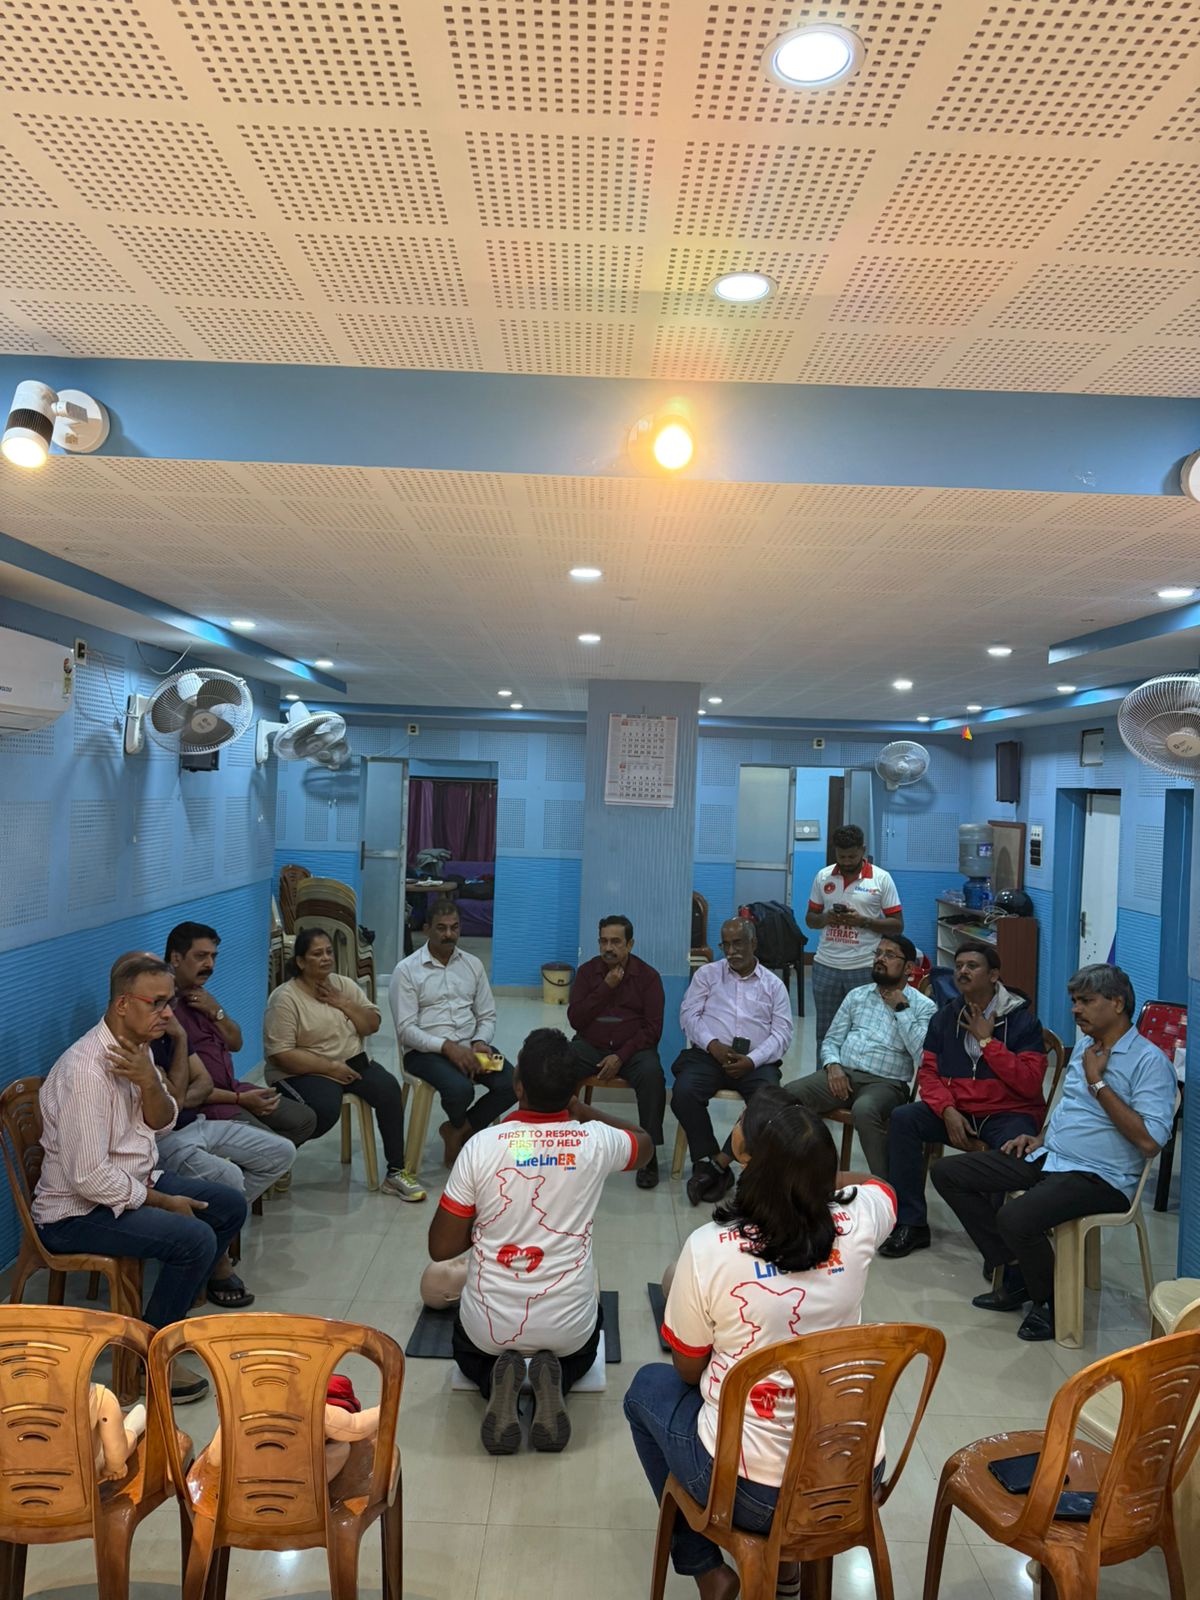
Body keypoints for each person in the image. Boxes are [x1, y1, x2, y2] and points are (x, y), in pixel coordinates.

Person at [624, 1090, 895, 1600]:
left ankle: (707, 1570)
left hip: (754, 1493)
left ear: (755, 1165)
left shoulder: (710, 1247)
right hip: (852, 1474)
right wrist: (814, 1179)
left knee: (646, 1390)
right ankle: (787, 1573)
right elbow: (882, 1187)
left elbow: (687, 1370)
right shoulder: (860, 1221)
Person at [428, 1027, 651, 1455]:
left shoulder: (481, 1146)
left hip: (489, 1330)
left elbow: (441, 1248)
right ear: (572, 1091)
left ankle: (495, 1378)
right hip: (569, 1330)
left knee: (466, 1346)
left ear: (518, 1087)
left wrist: (489, 1222)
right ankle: (556, 1380)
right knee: (583, 1345)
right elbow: (644, 1144)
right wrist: (582, 1111)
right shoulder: (595, 1141)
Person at [33, 955, 247, 1402]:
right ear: (122, 1005)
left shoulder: (138, 1047)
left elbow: (162, 1124)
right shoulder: (86, 1071)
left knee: (229, 1205)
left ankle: (165, 1323)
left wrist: (151, 1082)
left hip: (131, 1182)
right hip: (75, 1212)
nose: (168, 1014)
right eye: (158, 1003)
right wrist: (164, 1202)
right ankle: (149, 1357)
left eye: (170, 1002)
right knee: (195, 1239)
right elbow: (89, 1177)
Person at [931, 963, 1176, 1342]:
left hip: (1101, 1176)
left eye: (1086, 1001)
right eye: (1074, 1001)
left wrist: (1097, 1082)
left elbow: (1149, 1142)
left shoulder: (1149, 1061)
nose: (1075, 1010)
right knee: (949, 1174)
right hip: (1052, 1157)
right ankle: (1016, 1271)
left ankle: (1051, 1303)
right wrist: (1040, 1137)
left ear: (1117, 1003)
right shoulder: (1086, 1048)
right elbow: (1070, 1108)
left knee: (1015, 1217)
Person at [880, 941, 1046, 1259]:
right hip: (959, 1110)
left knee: (1014, 1151)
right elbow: (928, 1073)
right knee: (904, 1118)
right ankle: (911, 1223)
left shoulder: (1023, 1021)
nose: (962, 972)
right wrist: (947, 1110)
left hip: (1008, 1113)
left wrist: (987, 1041)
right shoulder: (945, 1017)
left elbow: (1029, 1083)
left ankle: (1001, 1243)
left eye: (972, 966)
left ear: (994, 975)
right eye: (958, 966)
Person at [263, 927, 425, 1201]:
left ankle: (396, 1173)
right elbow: (281, 1054)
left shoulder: (344, 985)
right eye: (317, 954)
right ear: (300, 961)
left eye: (329, 952)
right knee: (324, 1110)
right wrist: (330, 1068)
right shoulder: (285, 998)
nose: (326, 958)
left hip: (352, 1063)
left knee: (388, 1090)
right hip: (302, 1070)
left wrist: (343, 1003)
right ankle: (275, 1156)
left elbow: (372, 1024)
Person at [782, 934, 935, 1178]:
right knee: (787, 1094)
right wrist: (833, 1066)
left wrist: (901, 1009)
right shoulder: (857, 995)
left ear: (908, 968)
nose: (880, 959)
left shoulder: (923, 1006)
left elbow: (923, 1055)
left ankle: (886, 1186)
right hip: (843, 1075)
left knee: (864, 1110)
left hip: (886, 1084)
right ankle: (794, 1174)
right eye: (878, 953)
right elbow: (831, 1040)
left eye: (889, 955)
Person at [164, 921, 318, 1159]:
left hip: (233, 1089)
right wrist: (241, 1100)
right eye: (201, 956)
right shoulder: (164, 1009)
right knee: (274, 1146)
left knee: (304, 1119)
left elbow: (236, 1043)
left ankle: (259, 1167)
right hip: (207, 1105)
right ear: (176, 958)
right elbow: (182, 1090)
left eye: (213, 956)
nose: (210, 964)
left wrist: (216, 1011)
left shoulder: (200, 996)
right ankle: (254, 1168)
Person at [671, 918, 793, 1206]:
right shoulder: (707, 975)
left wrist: (752, 1060)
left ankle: (719, 1164)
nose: (731, 951)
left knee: (769, 1105)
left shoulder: (773, 985)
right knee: (683, 1092)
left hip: (756, 1062)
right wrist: (712, 1044)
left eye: (738, 943)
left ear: (754, 943)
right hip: (709, 1056)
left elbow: (783, 1033)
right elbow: (688, 1015)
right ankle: (708, 1158)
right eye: (725, 944)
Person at [389, 900, 516, 1168]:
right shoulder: (407, 970)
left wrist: (480, 1042)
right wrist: (447, 1047)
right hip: (425, 1054)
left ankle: (458, 1130)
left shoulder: (472, 964)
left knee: (513, 1081)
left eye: (454, 927)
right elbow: (406, 1030)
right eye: (441, 928)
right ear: (426, 929)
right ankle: (463, 1131)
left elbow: (487, 1015)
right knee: (460, 1089)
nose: (449, 934)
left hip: (471, 1050)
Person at [567, 913, 667, 1190]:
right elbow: (575, 1019)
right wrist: (605, 987)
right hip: (591, 1046)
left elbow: (653, 1029)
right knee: (560, 1063)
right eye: (603, 941)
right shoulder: (587, 973)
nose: (608, 948)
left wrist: (621, 1056)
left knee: (652, 1074)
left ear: (630, 944)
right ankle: (562, 1140)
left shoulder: (648, 977)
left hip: (633, 1050)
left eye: (615, 942)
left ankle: (649, 1154)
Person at [805, 823, 904, 1053]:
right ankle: (825, 1074)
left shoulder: (881, 879)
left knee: (863, 1032)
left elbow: (897, 925)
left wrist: (863, 921)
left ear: (863, 850)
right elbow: (810, 919)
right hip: (826, 965)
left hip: (864, 966)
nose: (847, 861)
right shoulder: (823, 876)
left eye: (852, 856)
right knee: (825, 1032)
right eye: (842, 856)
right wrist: (827, 918)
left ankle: (854, 1075)